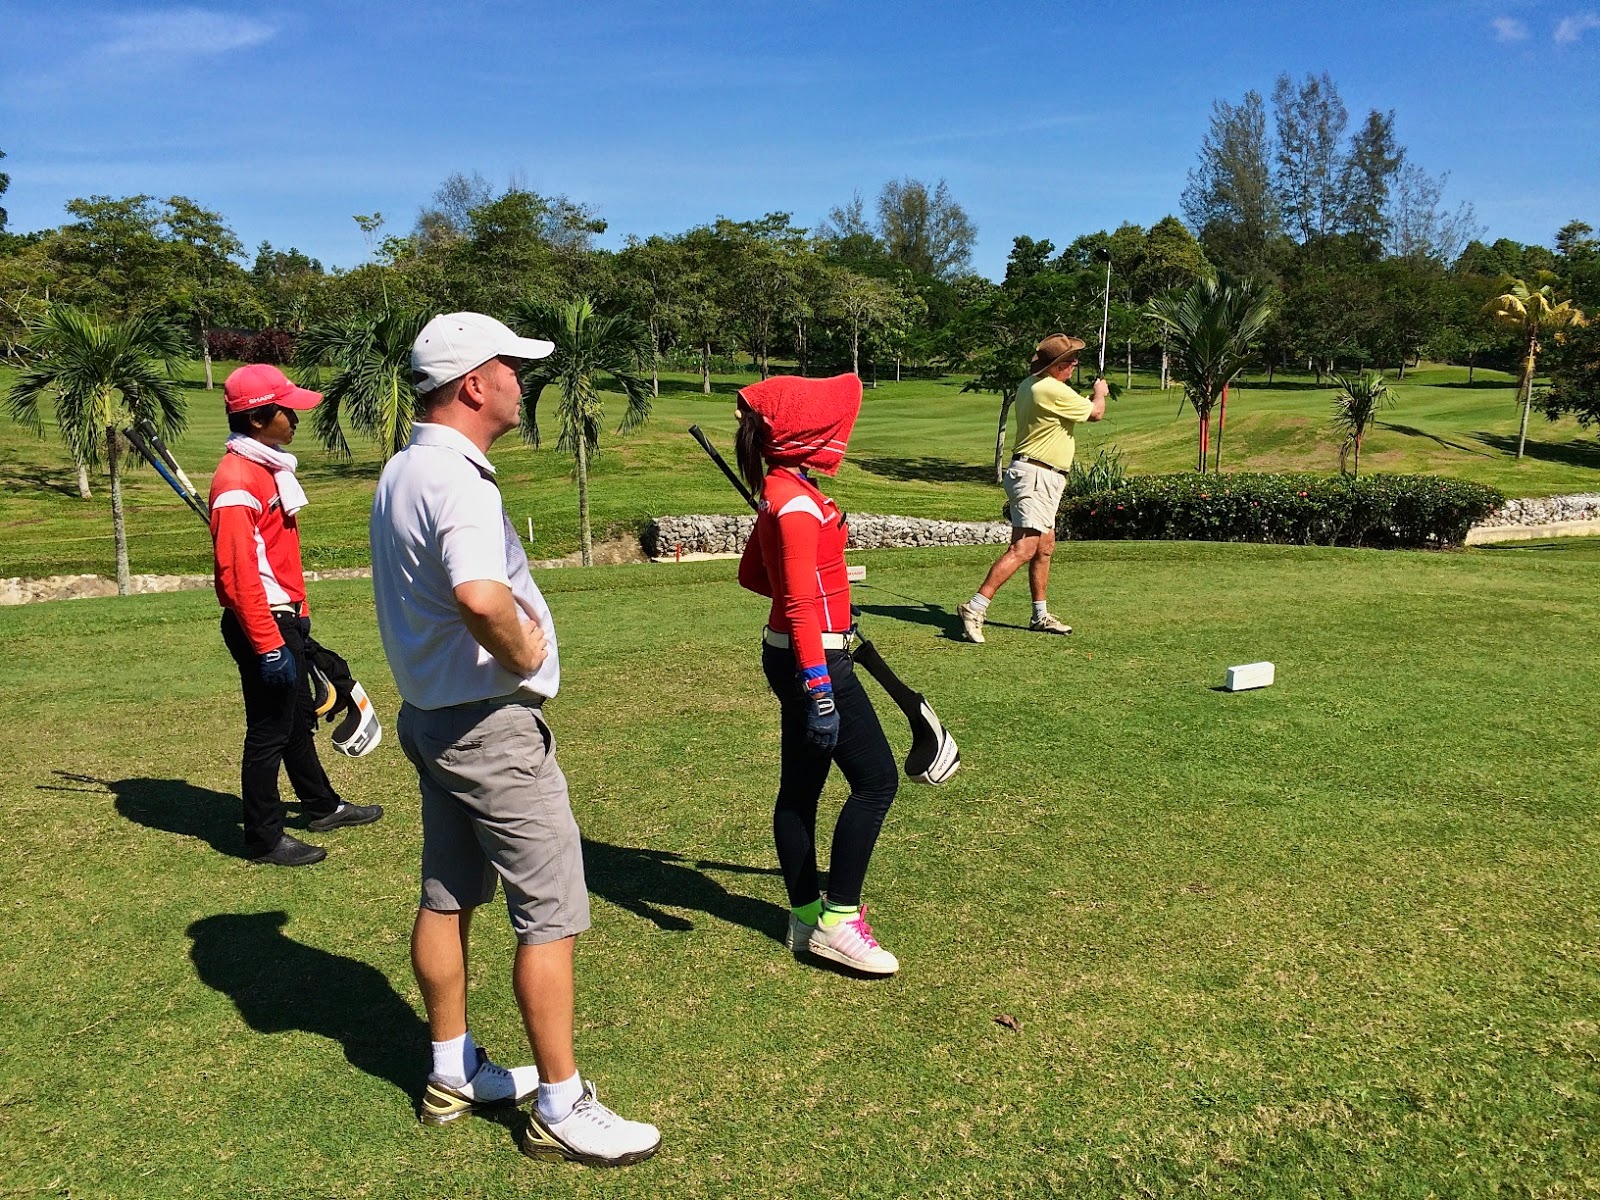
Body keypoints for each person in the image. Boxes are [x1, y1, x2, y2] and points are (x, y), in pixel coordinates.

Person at [369, 312, 660, 1166]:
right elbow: (479, 595)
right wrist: (526, 654)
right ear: (473, 384)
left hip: (432, 720)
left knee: (447, 894)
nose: (521, 383)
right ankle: (561, 1107)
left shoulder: (403, 467)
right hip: (488, 729)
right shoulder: (458, 480)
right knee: (551, 912)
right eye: (512, 369)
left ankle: (451, 1070)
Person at [735, 373, 901, 976]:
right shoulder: (798, 503)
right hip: (815, 657)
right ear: (806, 434)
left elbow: (756, 577)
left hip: (786, 652)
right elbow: (801, 604)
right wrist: (821, 690)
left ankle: (806, 916)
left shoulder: (782, 491)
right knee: (877, 781)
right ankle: (839, 920)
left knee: (800, 790)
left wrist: (804, 563)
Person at [209, 364, 384, 867]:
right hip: (261, 622)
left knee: (296, 721)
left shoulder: (267, 469)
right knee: (269, 730)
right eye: (287, 411)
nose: (296, 419)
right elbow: (237, 577)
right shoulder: (237, 480)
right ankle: (264, 838)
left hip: (284, 616)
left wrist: (297, 620)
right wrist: (268, 644)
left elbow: (272, 559)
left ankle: (322, 805)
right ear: (258, 419)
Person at [958, 334, 1107, 643]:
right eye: (1070, 361)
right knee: (1024, 548)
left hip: (1039, 475)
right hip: (1037, 476)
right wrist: (1099, 393)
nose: (1074, 365)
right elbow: (1095, 413)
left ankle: (1040, 616)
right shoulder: (1050, 388)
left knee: (1045, 546)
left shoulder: (1031, 384)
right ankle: (975, 607)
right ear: (1056, 365)